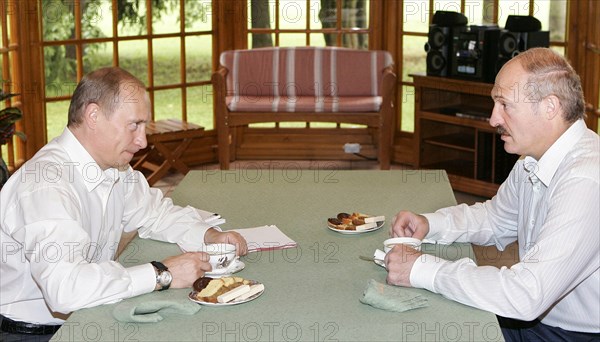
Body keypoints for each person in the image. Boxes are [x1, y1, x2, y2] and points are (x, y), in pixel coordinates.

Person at [0, 67, 248, 341]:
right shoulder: (45, 186)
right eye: (134, 126)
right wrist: (161, 274)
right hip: (35, 334)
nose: (142, 142)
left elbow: (155, 214)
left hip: (90, 312)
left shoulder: (113, 168)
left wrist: (209, 235)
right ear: (93, 116)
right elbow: (65, 289)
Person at [386, 47, 599, 341]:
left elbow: (527, 294)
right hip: (537, 320)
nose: (492, 119)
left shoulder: (587, 180)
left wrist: (423, 269)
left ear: (550, 107)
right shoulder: (534, 159)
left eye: (504, 104)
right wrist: (431, 224)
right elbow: (496, 218)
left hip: (573, 334)